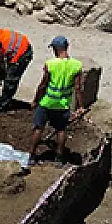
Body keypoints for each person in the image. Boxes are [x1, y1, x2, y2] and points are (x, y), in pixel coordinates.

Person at [28, 36, 85, 165]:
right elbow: (78, 88)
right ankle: (59, 157)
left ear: (56, 48)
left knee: (38, 128)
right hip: (63, 104)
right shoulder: (76, 65)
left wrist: (35, 100)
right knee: (61, 130)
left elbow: (43, 85)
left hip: (47, 102)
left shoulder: (50, 64)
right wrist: (81, 106)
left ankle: (31, 155)